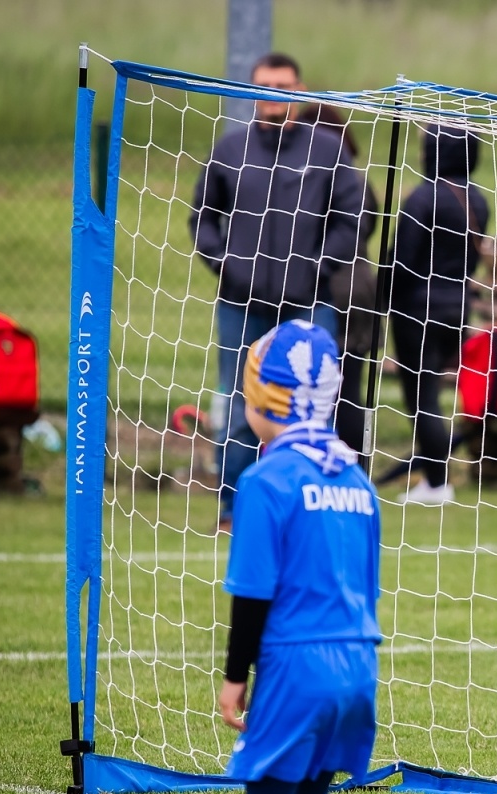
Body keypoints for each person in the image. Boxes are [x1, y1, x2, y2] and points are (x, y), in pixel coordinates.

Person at [217, 319, 382, 794]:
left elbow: (252, 595)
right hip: (357, 662)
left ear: (267, 403)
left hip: (296, 661)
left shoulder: (266, 481)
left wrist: (235, 678)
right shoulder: (357, 479)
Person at [190, 53, 366, 529]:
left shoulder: (329, 151)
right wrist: (225, 264)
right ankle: (235, 508)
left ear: (300, 90)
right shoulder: (228, 151)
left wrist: (319, 267)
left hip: (311, 301)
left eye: (282, 87)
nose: (273, 98)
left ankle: (314, 505)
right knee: (241, 403)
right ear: (252, 92)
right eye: (264, 87)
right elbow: (201, 218)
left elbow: (355, 218)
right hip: (240, 303)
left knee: (313, 403)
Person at [382, 124, 490, 505]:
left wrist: (382, 297)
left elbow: (402, 260)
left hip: (417, 309)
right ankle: (435, 476)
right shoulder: (477, 199)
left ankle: (436, 481)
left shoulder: (423, 198)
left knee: (421, 395)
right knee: (436, 394)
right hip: (457, 307)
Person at [297, 101, 382, 457]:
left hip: (330, 287)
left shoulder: (311, 179)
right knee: (353, 387)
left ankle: (327, 462)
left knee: (323, 389)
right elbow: (370, 223)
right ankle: (358, 466)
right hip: (363, 285)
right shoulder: (361, 183)